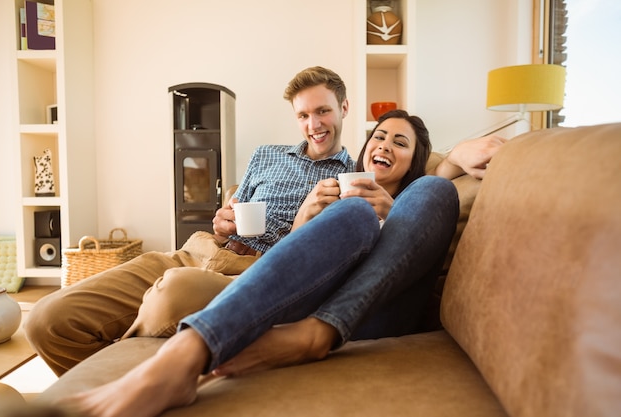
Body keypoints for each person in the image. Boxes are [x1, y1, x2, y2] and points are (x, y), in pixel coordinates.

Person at [26, 66, 504, 378]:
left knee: (172, 295)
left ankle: (167, 372)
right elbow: (228, 213)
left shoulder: (357, 174)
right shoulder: (266, 154)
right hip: (197, 251)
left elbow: (425, 180)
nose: (314, 123)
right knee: (48, 321)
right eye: (303, 115)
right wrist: (222, 221)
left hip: (259, 273)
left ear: (344, 111)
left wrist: (457, 153)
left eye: (323, 111)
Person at [53, 108, 459, 417]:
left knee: (437, 190)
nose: (385, 145)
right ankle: (183, 356)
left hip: (375, 312)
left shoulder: (416, 198)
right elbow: (289, 263)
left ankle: (316, 335)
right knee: (352, 215)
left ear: (413, 160)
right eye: (380, 136)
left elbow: (440, 184)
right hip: (306, 301)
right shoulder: (335, 193)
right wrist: (308, 217)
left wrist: (396, 210)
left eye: (400, 143)